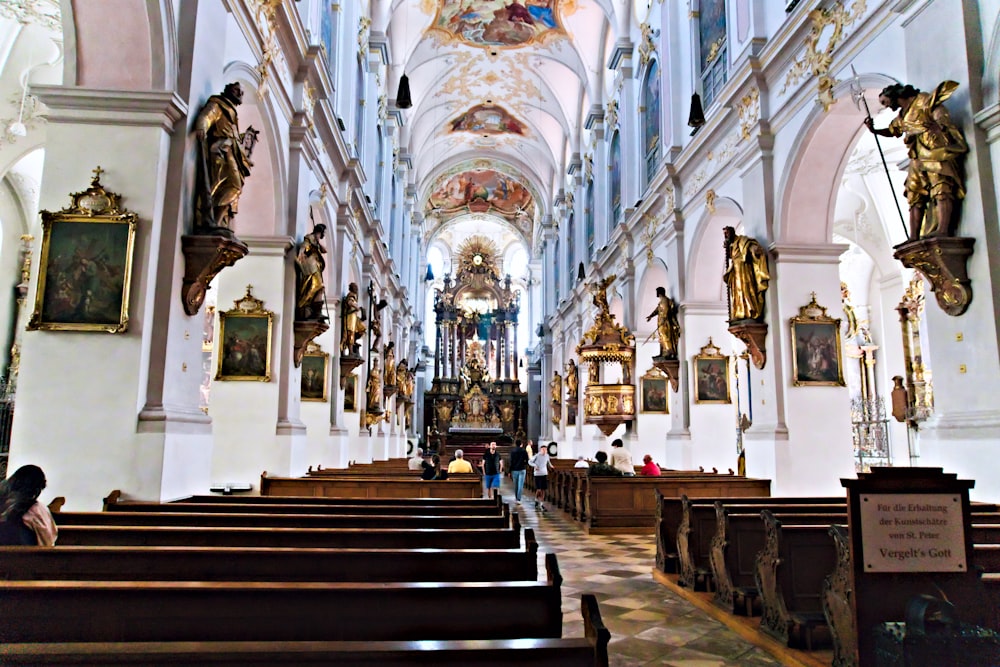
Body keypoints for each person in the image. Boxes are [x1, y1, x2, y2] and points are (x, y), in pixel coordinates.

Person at [864, 81, 968, 239]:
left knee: (941, 188)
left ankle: (943, 230)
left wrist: (940, 125)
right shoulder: (901, 115)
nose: (885, 106)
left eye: (885, 102)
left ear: (894, 95)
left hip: (934, 152)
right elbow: (893, 130)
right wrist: (875, 130)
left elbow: (939, 111)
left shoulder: (922, 100)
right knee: (914, 194)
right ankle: (913, 237)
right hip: (917, 156)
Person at [193, 82, 257, 232]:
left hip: (232, 151)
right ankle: (207, 220)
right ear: (227, 90)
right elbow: (207, 116)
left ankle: (215, 221)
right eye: (237, 91)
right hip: (221, 149)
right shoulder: (218, 104)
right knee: (220, 184)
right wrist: (202, 126)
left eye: (241, 92)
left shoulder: (232, 111)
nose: (240, 94)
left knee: (234, 186)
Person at [0, 465, 57, 546]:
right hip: (26, 557)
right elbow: (48, 541)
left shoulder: (3, 503)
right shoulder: (36, 510)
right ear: (37, 489)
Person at [723, 226, 770, 322]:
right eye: (724, 234)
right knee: (737, 293)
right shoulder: (731, 245)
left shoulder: (742, 240)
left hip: (744, 270)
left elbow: (750, 246)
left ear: (732, 233)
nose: (725, 236)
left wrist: (754, 249)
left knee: (746, 290)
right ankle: (740, 312)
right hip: (735, 271)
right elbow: (731, 256)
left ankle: (750, 311)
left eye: (726, 234)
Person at [294, 223, 327, 321]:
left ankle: (317, 311)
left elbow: (325, 250)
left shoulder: (316, 241)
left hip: (316, 266)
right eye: (323, 232)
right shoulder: (309, 237)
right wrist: (301, 252)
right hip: (311, 266)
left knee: (320, 287)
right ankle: (304, 306)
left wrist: (318, 242)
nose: (323, 235)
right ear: (320, 231)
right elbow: (304, 245)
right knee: (318, 286)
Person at [646, 286, 680, 359]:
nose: (656, 293)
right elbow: (657, 310)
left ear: (660, 292)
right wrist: (651, 316)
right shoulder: (661, 301)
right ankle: (664, 352)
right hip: (661, 321)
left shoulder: (664, 300)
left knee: (665, 336)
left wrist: (663, 320)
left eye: (657, 291)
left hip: (664, 322)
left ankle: (670, 351)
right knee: (661, 336)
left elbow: (665, 311)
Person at [340, 282, 366, 356]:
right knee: (349, 333)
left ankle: (353, 342)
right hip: (350, 317)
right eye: (355, 287)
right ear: (352, 288)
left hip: (353, 317)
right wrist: (356, 307)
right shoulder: (351, 295)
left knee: (362, 329)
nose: (357, 289)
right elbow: (349, 302)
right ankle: (349, 351)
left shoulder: (354, 295)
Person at [529, 443, 555, 511]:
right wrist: (535, 466)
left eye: (545, 450)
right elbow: (530, 461)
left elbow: (548, 462)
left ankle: (541, 503)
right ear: (540, 450)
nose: (544, 451)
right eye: (543, 449)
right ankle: (536, 499)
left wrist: (551, 466)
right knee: (539, 489)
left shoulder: (547, 456)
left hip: (544, 473)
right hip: (537, 474)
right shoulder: (537, 456)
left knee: (543, 489)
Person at [508, 440, 529, 504]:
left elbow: (511, 462)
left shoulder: (512, 451)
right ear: (521, 444)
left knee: (516, 485)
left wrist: (509, 471)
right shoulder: (523, 451)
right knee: (520, 485)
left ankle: (516, 497)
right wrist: (524, 464)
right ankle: (518, 499)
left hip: (514, 470)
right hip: (522, 469)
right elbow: (527, 460)